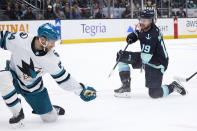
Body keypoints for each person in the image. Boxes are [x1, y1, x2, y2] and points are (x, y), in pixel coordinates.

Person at [0, 23, 96, 128]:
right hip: (13, 77)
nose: (53, 45)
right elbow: (2, 37)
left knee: (50, 118)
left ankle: (51, 108)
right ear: (42, 39)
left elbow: (63, 79)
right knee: (2, 78)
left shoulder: (52, 59)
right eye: (52, 42)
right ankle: (17, 113)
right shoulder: (21, 39)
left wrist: (81, 89)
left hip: (34, 89)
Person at [114, 9, 186, 98]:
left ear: (151, 21)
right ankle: (125, 87)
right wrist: (133, 36)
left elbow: (145, 58)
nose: (142, 22)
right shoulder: (145, 27)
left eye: (145, 21)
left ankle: (173, 86)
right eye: (141, 19)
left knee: (154, 94)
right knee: (121, 57)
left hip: (158, 63)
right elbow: (139, 32)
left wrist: (130, 58)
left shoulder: (152, 35)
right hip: (147, 57)